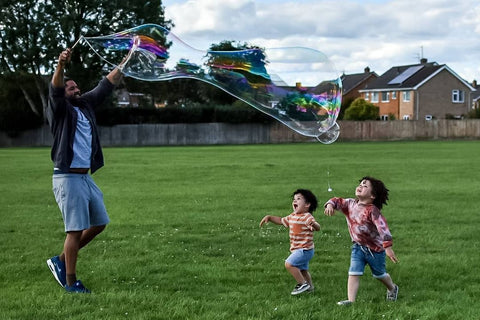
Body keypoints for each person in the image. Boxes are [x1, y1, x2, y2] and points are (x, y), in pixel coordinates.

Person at [45, 48, 124, 293]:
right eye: (72, 89)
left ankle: (60, 260)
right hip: (68, 177)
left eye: (77, 87)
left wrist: (125, 61)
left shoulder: (85, 105)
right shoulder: (59, 110)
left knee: (99, 222)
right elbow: (56, 89)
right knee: (75, 230)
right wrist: (60, 65)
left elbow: (106, 84)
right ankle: (70, 282)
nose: (77, 90)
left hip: (84, 177)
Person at [324, 176, 399, 305]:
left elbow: (383, 229)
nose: (360, 186)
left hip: (375, 250)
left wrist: (387, 247)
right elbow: (337, 200)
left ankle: (392, 288)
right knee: (354, 272)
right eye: (360, 184)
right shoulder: (350, 204)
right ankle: (351, 300)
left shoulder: (373, 211)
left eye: (365, 186)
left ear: (373, 196)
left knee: (379, 275)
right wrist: (330, 204)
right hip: (358, 246)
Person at [260, 189, 321, 295]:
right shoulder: (292, 216)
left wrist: (313, 224)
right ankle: (310, 288)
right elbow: (280, 220)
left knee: (289, 264)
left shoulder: (306, 217)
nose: (295, 201)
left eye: (298, 199)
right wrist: (269, 217)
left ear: (307, 204)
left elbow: (318, 227)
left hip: (305, 249)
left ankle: (302, 284)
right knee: (302, 270)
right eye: (294, 199)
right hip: (298, 249)